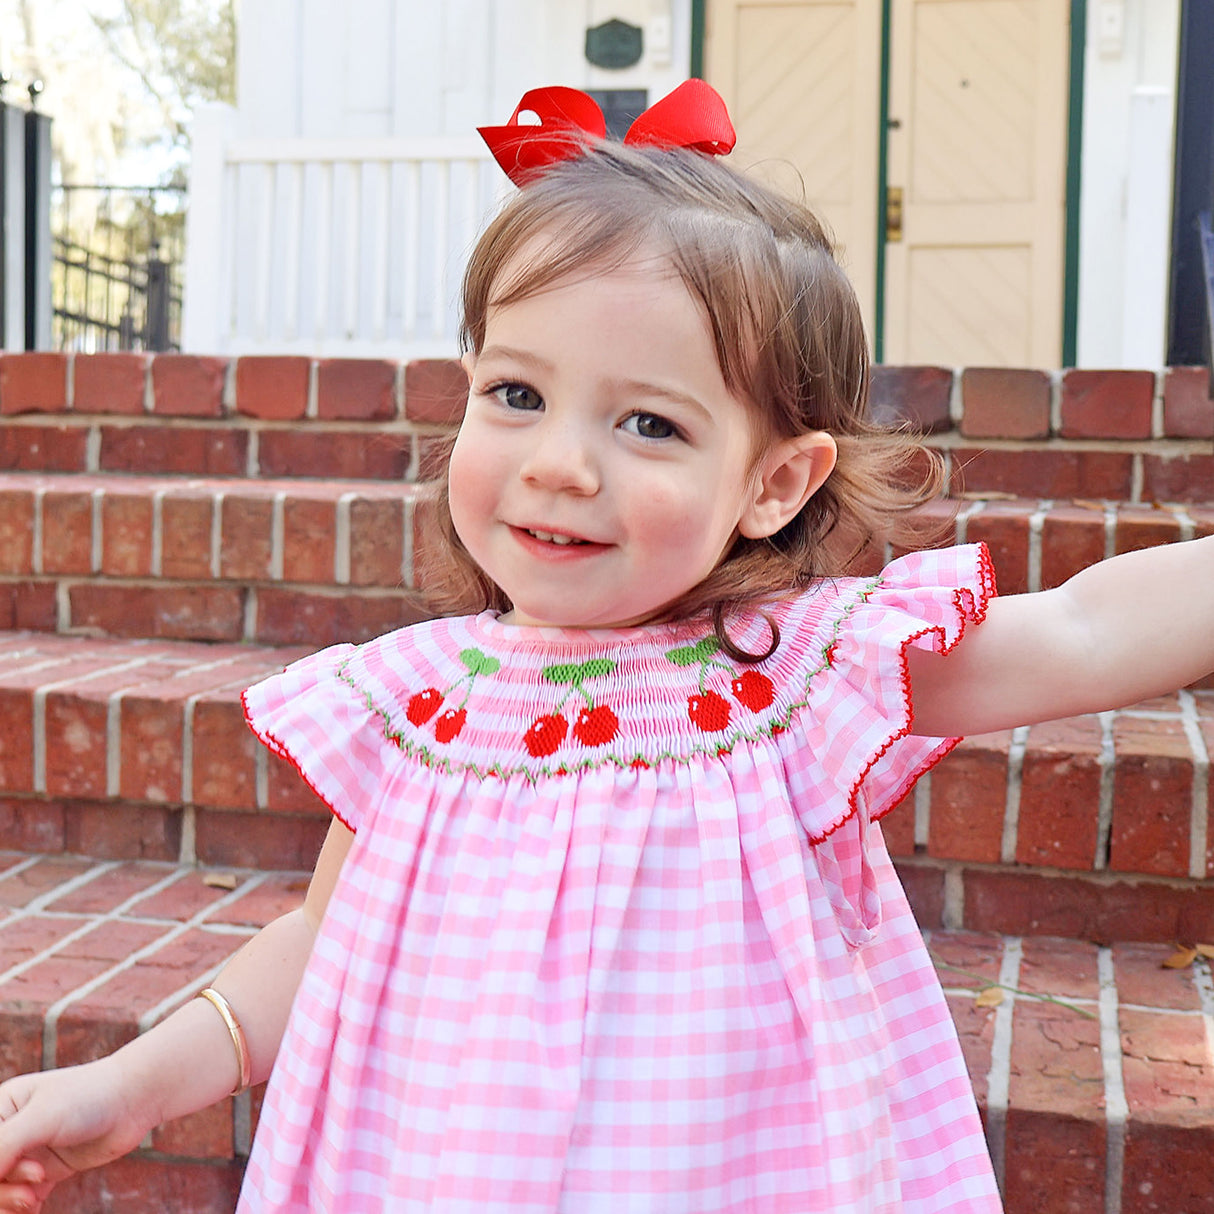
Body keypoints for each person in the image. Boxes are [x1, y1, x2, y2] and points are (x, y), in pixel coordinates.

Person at [0, 80, 1211, 1214]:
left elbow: (1088, 627)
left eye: (646, 421)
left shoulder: (790, 676)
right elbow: (321, 940)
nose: (559, 463)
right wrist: (136, 1081)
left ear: (773, 482)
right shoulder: (424, 702)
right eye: (516, 394)